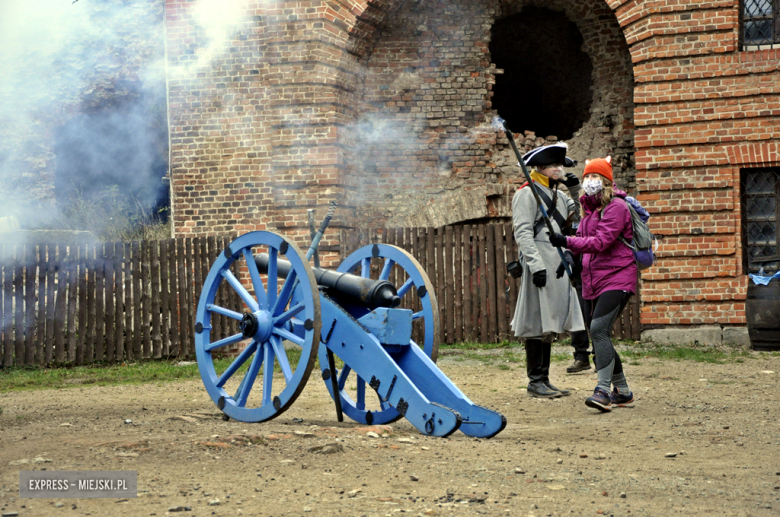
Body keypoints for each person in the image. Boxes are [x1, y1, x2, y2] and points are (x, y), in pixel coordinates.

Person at [548, 156, 636, 411]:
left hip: (617, 276)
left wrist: (566, 241)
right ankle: (624, 392)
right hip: (592, 279)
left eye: (595, 177)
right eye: (587, 177)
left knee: (598, 328)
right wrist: (567, 255)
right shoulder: (589, 211)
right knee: (599, 333)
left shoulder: (617, 207)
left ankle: (603, 391)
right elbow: (583, 241)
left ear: (607, 180)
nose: (589, 181)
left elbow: (600, 242)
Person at [511, 142, 586, 398]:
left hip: (558, 262)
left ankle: (544, 379)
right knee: (536, 322)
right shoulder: (526, 194)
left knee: (550, 323)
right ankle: (535, 382)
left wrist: (576, 190)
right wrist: (535, 264)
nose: (559, 169)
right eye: (555, 165)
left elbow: (578, 221)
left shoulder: (561, 196)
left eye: (559, 165)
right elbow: (522, 232)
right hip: (539, 262)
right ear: (542, 167)